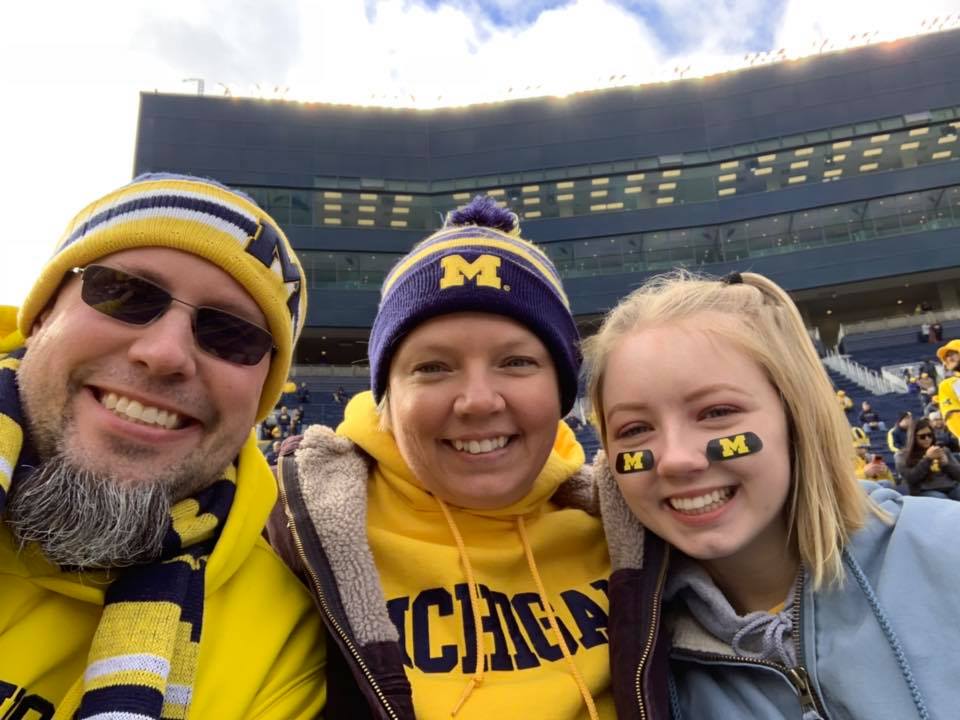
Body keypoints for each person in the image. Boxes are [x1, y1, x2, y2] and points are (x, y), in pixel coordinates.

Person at [269, 196, 614, 719]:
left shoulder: (628, 526)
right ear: (388, 395)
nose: (478, 401)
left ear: (562, 390)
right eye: (432, 368)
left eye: (516, 361)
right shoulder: (287, 533)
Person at [0, 174, 325, 718]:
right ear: (40, 317)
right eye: (125, 294)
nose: (166, 352)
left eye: (232, 335)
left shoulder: (282, 643)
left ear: (260, 400)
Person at [583, 269, 960, 720]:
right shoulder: (624, 650)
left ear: (794, 414)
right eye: (635, 429)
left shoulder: (946, 550)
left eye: (717, 412)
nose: (676, 459)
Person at [895, 418, 960, 500]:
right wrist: (927, 459)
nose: (927, 439)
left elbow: (958, 475)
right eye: (922, 437)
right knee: (943, 500)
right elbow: (910, 478)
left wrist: (947, 464)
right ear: (913, 438)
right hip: (924, 490)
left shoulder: (943, 450)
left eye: (930, 435)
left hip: (950, 486)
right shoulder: (902, 455)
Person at [936, 339, 960, 441]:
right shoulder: (948, 385)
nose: (948, 358)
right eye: (946, 357)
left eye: (953, 353)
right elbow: (953, 419)